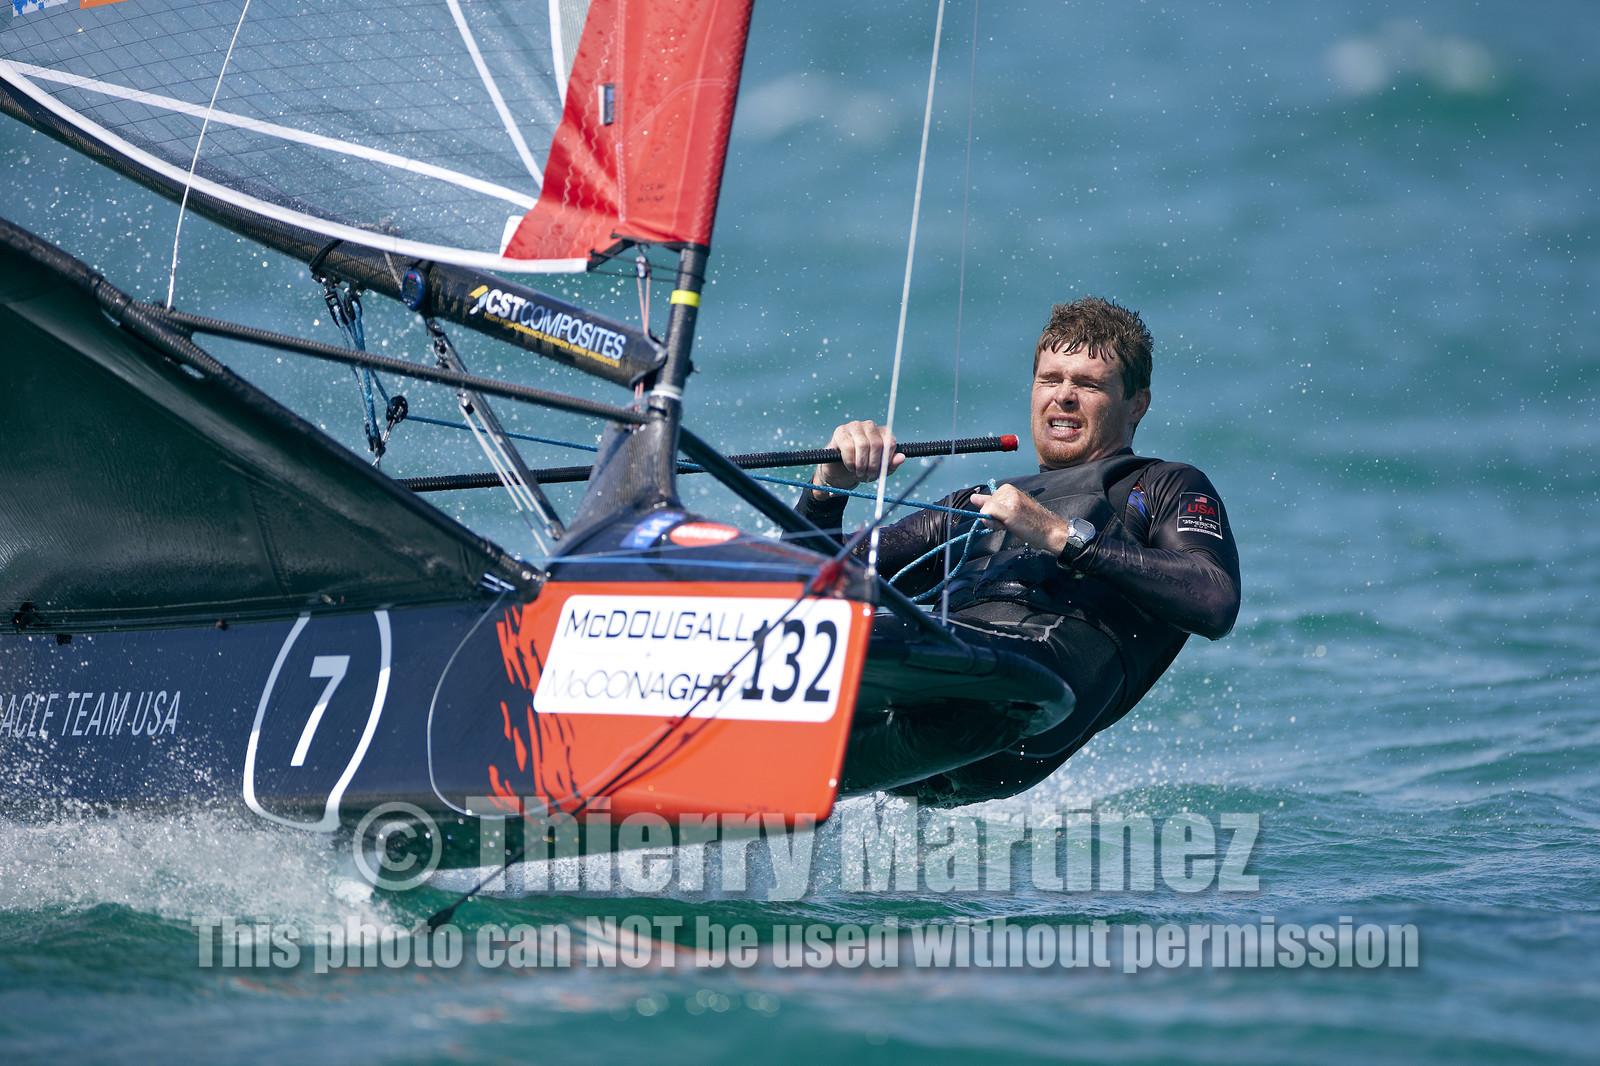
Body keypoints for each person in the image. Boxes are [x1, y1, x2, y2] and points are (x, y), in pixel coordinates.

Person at [797, 297, 1241, 805]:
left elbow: (1214, 601)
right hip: (930, 721)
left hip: (1024, 706)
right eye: (1051, 380)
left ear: (1137, 403)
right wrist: (826, 488)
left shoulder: (1162, 485)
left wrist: (1062, 538)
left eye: (1089, 385)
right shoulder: (981, 502)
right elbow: (813, 586)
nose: (1064, 397)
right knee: (800, 625)